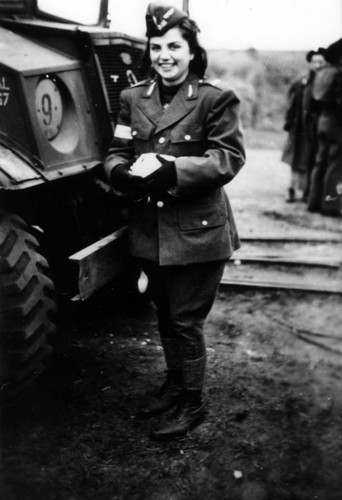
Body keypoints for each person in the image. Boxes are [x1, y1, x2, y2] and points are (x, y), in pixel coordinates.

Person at [104, 1, 245, 440]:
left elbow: (229, 158)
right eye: (158, 46)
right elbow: (115, 152)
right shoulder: (134, 98)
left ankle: (193, 400)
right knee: (165, 314)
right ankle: (175, 383)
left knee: (186, 320)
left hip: (196, 231)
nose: (165, 55)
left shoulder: (214, 98)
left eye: (174, 46)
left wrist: (175, 172)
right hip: (151, 230)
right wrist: (119, 174)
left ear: (191, 51)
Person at [281, 48, 327, 202]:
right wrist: (289, 120)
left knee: (312, 158)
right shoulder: (302, 80)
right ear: (310, 63)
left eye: (321, 62)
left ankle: (308, 191)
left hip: (316, 127)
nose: (317, 65)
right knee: (296, 158)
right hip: (300, 126)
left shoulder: (325, 80)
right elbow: (292, 102)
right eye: (314, 62)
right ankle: (291, 189)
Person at [307, 39, 342, 216]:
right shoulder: (338, 73)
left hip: (322, 120)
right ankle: (330, 204)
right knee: (335, 164)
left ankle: (314, 202)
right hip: (336, 123)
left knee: (320, 162)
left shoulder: (322, 73)